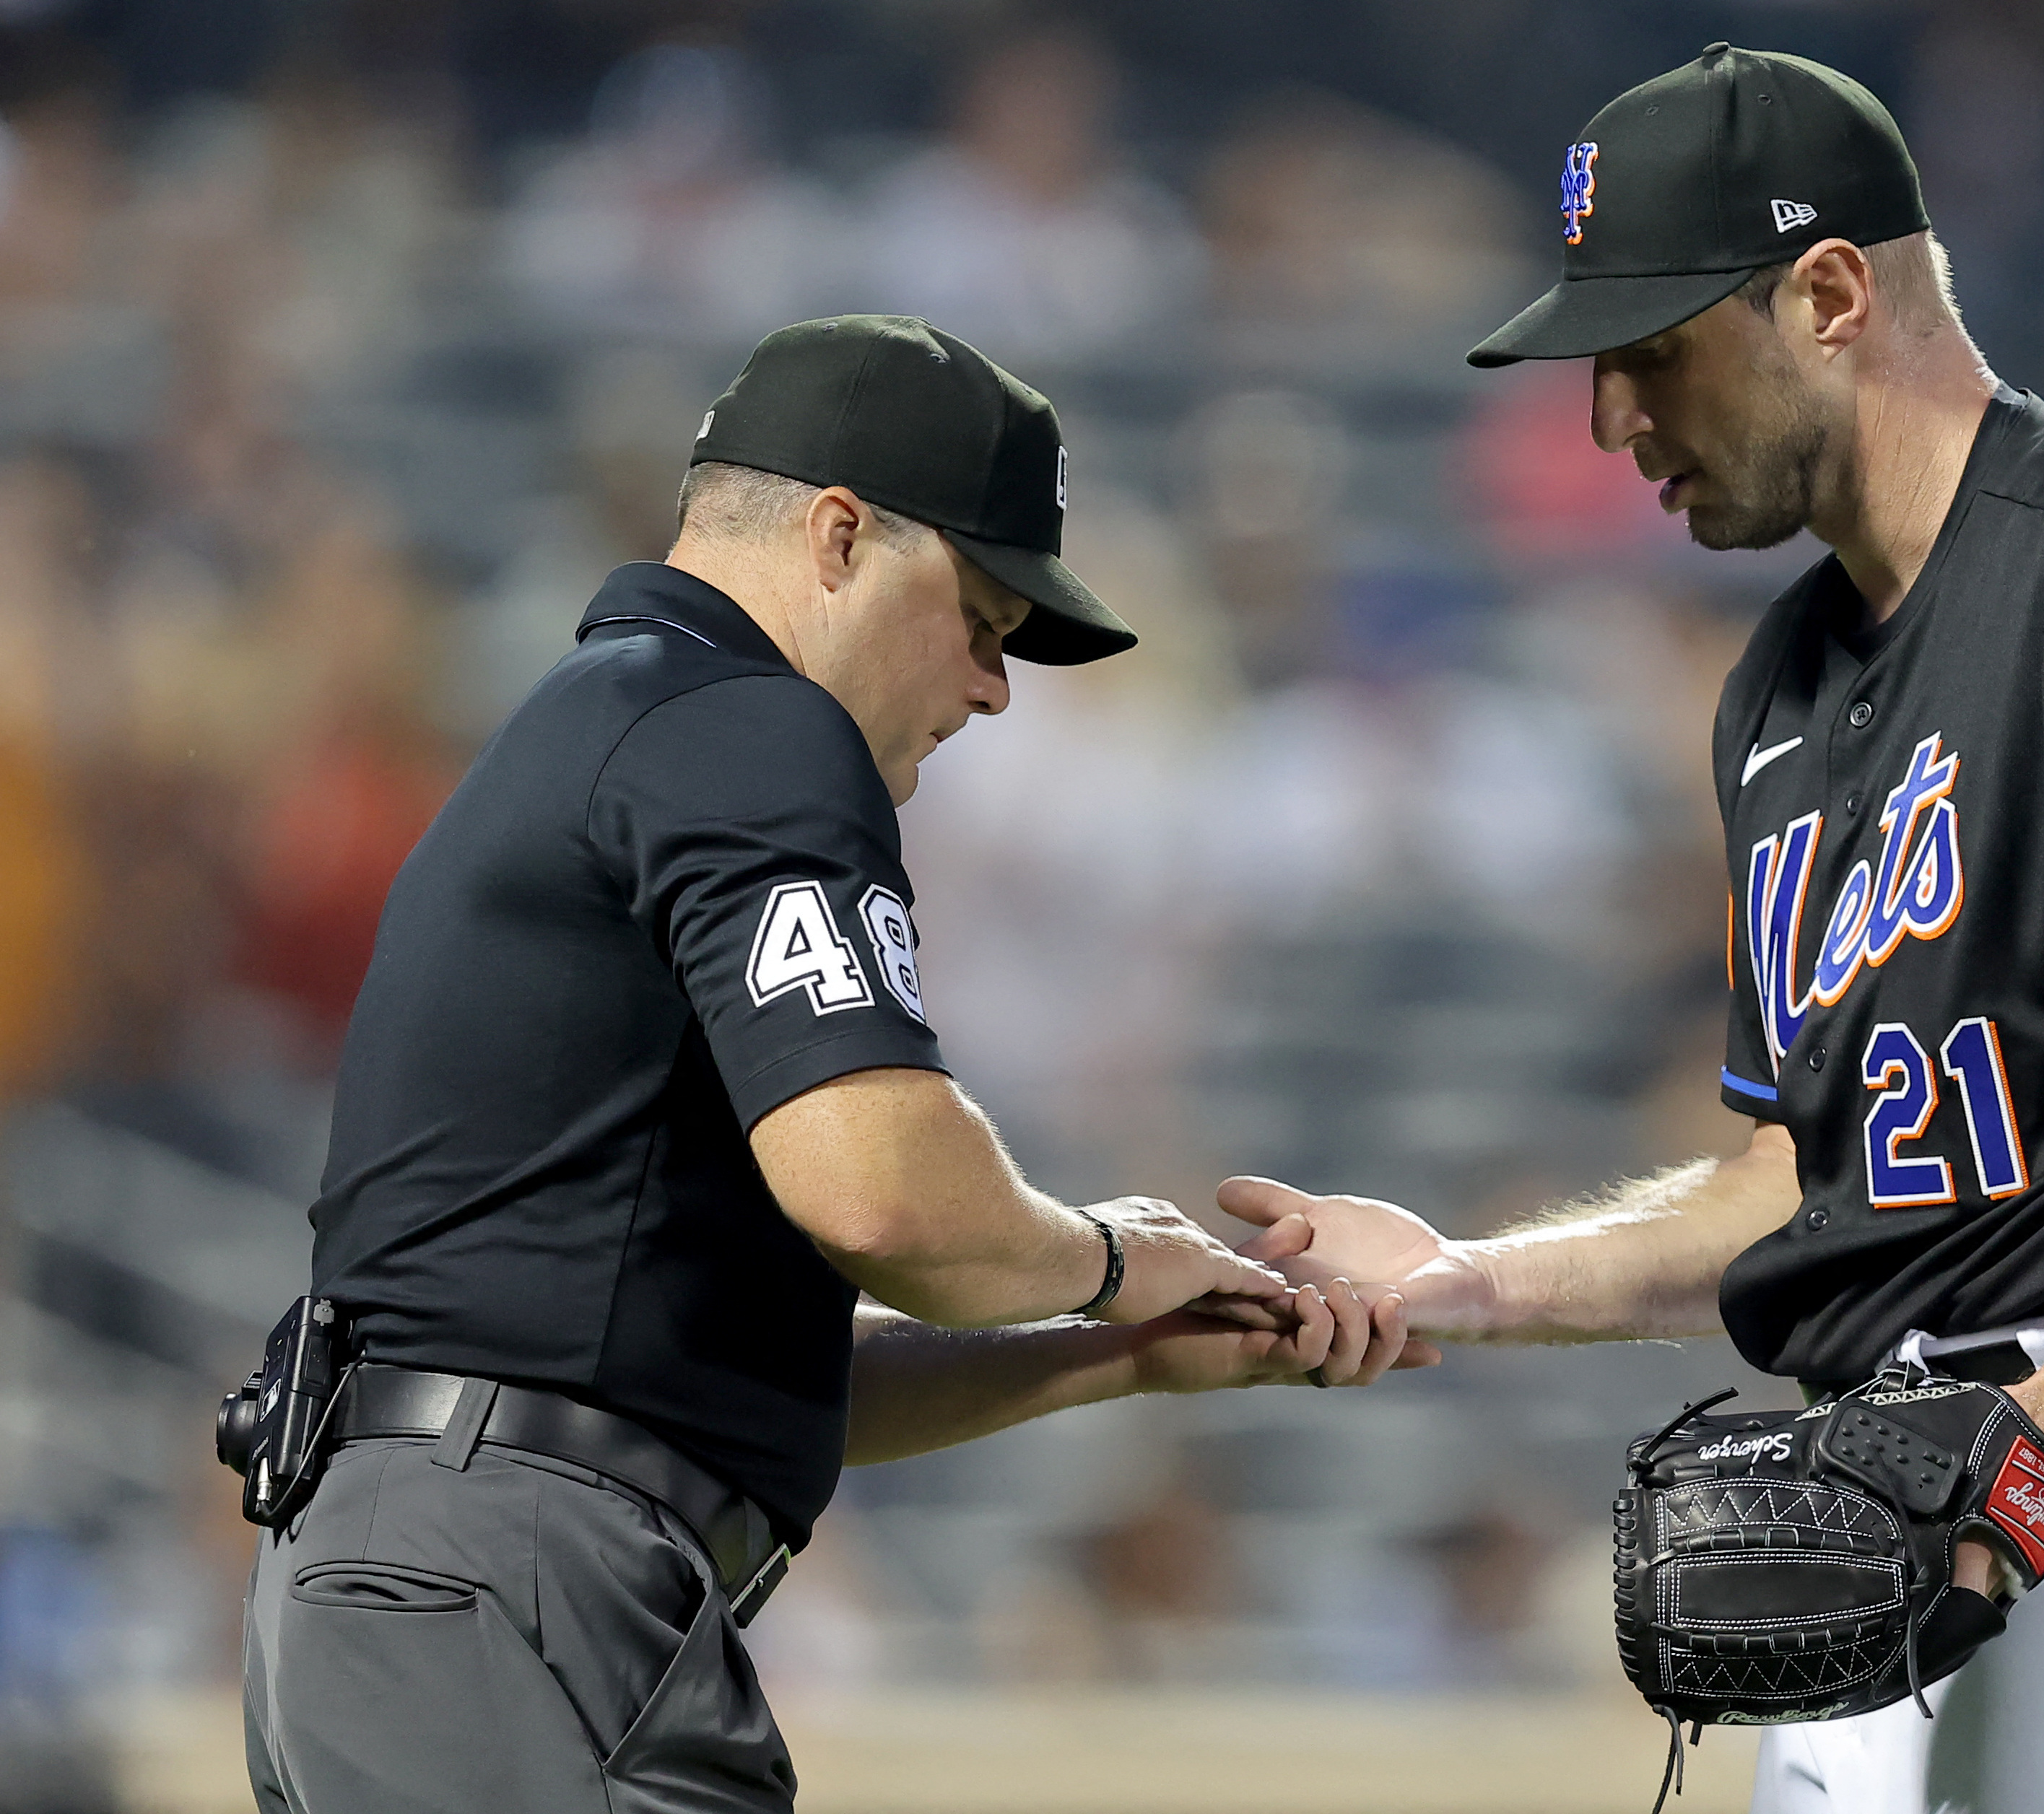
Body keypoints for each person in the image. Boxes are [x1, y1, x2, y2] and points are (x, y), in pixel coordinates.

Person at [1222, 45, 2044, 1814]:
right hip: (1905, 1455)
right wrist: (1464, 1282)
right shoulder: (1779, 688)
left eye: (1651, 349)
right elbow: (1786, 1189)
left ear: (1827, 294)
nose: (1609, 419)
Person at [242, 315, 1426, 1814]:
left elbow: (714, 1367)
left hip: (433, 1574)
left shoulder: (621, 725)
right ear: (840, 535)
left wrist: (1108, 1345)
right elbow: (886, 1196)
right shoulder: (748, 727)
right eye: (984, 621)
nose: (998, 688)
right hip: (507, 1575)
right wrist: (1114, 1260)